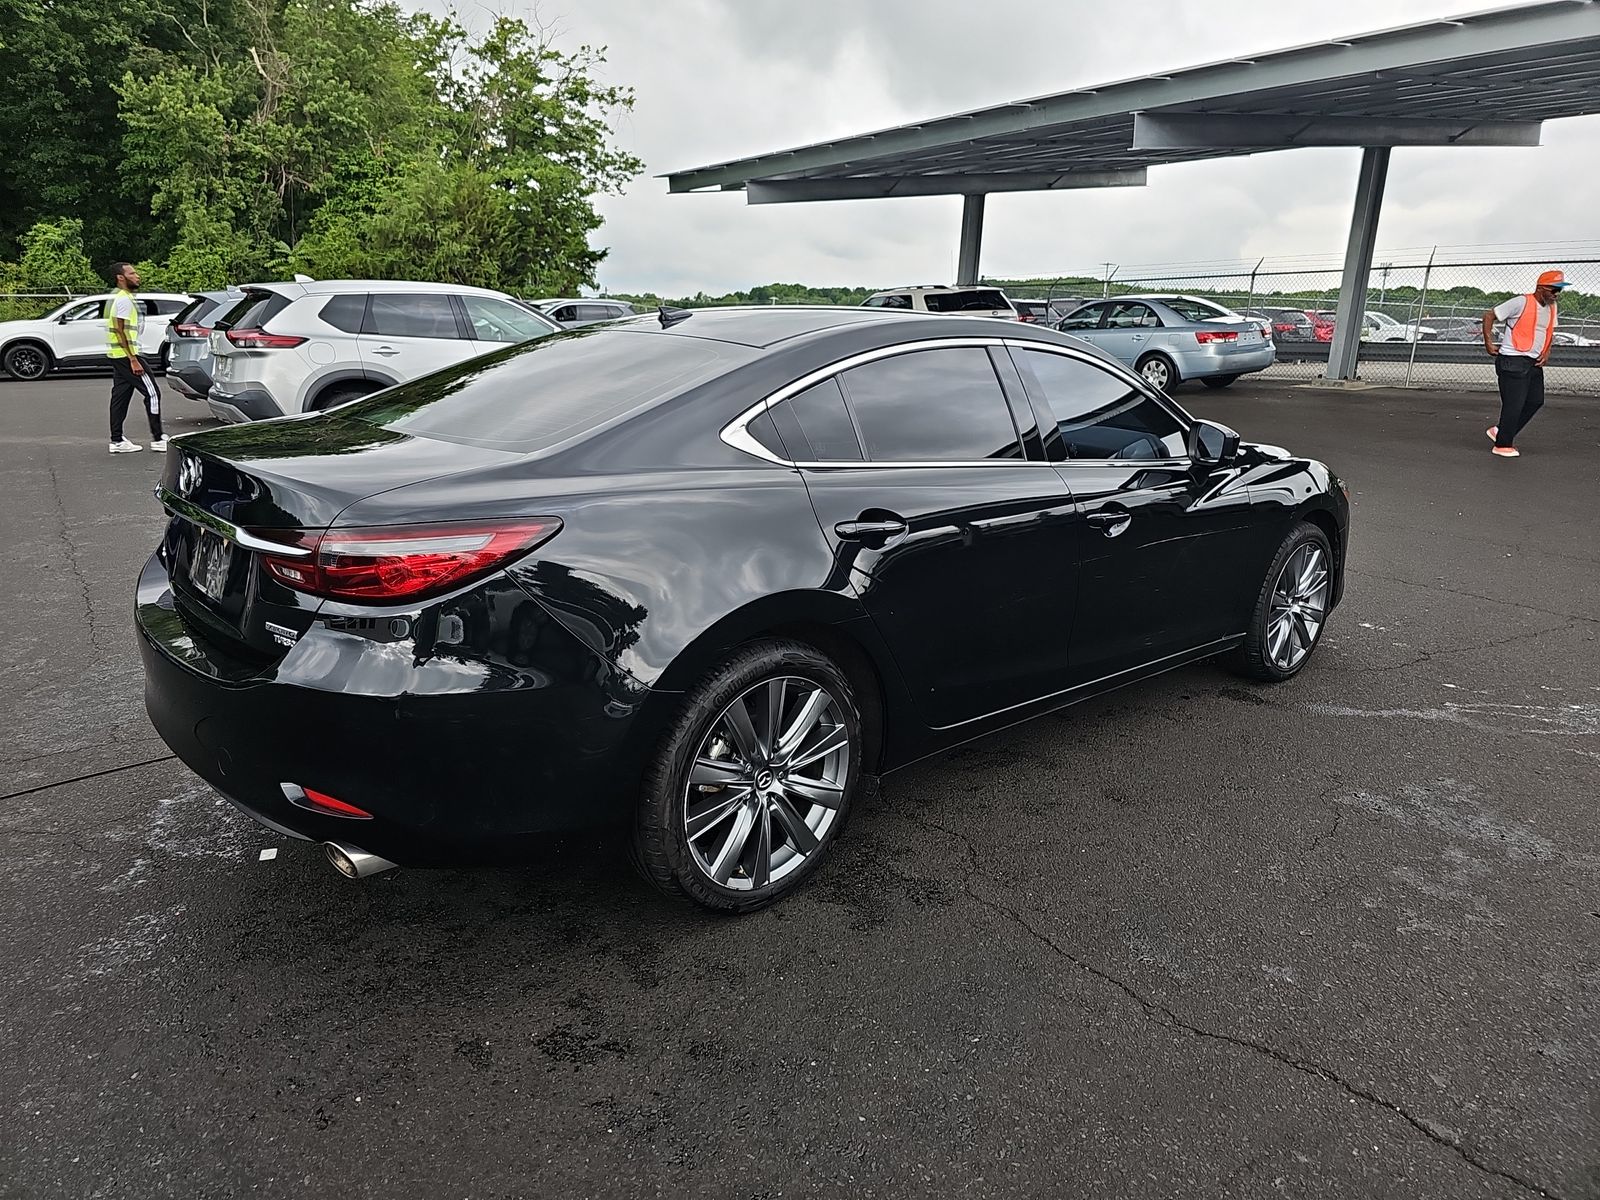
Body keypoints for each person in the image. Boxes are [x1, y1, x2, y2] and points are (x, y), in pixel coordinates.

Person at [1482, 269, 1569, 459]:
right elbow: (1489, 316)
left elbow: (1549, 331)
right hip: (1512, 359)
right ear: (1540, 288)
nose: (1556, 295)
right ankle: (1502, 444)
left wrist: (1546, 351)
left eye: (1559, 291)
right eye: (1553, 290)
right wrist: (1488, 342)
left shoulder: (1552, 308)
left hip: (1533, 362)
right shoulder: (1521, 302)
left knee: (1535, 401)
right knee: (1514, 404)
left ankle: (1500, 431)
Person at [106, 262, 167, 454]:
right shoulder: (123, 299)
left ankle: (117, 440)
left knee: (120, 397)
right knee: (153, 393)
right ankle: (158, 439)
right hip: (127, 355)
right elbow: (119, 329)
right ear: (121, 278)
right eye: (132, 273)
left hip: (118, 355)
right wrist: (133, 359)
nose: (137, 276)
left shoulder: (121, 297)